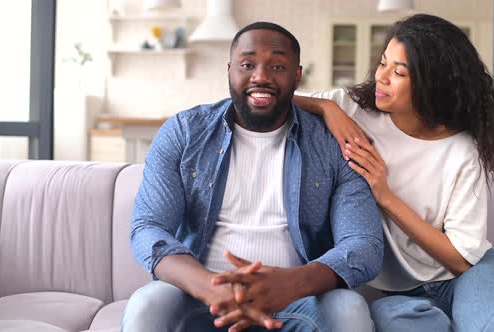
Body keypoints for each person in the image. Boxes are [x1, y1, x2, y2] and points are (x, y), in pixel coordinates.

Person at [294, 14, 494, 332]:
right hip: (402, 293)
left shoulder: (462, 151)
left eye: (399, 72)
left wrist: (385, 196)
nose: (382, 77)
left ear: (430, 83)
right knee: (394, 321)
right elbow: (265, 100)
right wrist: (328, 108)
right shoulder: (352, 109)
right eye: (383, 64)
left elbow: (461, 259)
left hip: (469, 276)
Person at [122, 21, 384, 332]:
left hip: (297, 297)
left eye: (277, 65)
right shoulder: (184, 133)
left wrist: (291, 284)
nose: (261, 76)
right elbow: (148, 228)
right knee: (146, 307)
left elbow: (364, 244)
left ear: (297, 76)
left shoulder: (330, 144)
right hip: (200, 294)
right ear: (230, 70)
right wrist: (210, 287)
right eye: (247, 65)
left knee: (350, 309)